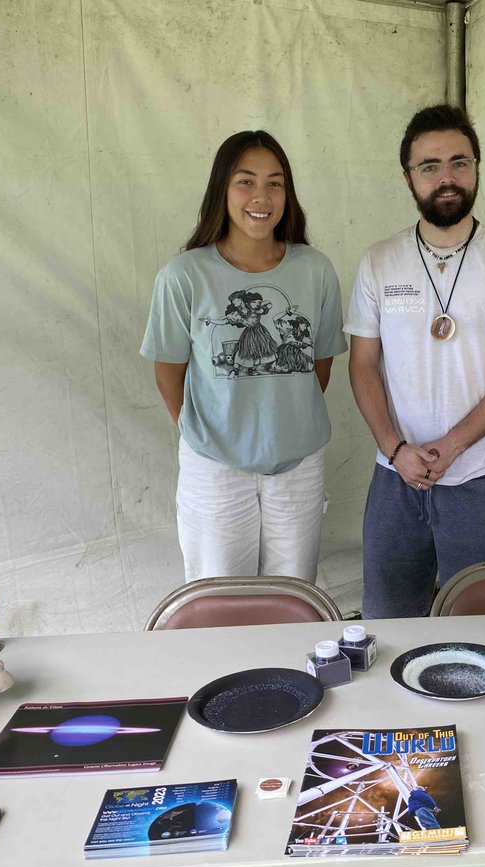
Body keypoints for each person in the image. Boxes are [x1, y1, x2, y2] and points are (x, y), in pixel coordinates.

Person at [346, 105, 485, 619]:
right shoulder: (379, 260)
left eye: (460, 163)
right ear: (408, 177)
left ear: (478, 168)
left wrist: (453, 444)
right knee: (388, 622)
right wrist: (396, 449)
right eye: (430, 166)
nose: (447, 178)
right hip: (395, 475)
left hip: (481, 476)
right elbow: (362, 365)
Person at [141, 131, 347, 584]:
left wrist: (280, 417)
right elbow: (168, 371)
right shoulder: (183, 275)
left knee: (293, 597)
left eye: (275, 183)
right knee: (218, 600)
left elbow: (318, 366)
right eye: (246, 181)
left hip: (299, 465)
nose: (261, 196)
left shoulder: (316, 270)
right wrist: (209, 431)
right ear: (222, 190)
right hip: (214, 468)